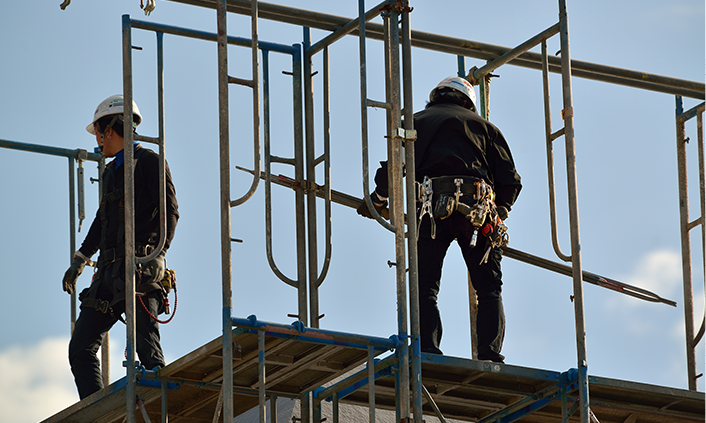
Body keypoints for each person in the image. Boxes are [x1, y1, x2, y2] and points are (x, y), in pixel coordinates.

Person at [358, 76, 521, 363]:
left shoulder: (417, 121)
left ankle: (428, 350)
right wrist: (501, 211)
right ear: (468, 102)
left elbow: (394, 168)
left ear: (436, 97)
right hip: (477, 211)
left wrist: (377, 200)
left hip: (431, 210)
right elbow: (511, 181)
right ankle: (489, 353)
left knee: (426, 285)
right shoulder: (486, 129)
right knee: (488, 287)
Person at [61, 95, 179, 399]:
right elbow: (102, 220)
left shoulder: (150, 162)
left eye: (99, 133)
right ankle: (99, 412)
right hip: (110, 275)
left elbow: (171, 213)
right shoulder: (112, 172)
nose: (99, 141)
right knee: (81, 348)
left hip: (139, 274)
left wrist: (155, 255)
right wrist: (81, 258)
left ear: (111, 130)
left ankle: (160, 410)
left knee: (147, 348)